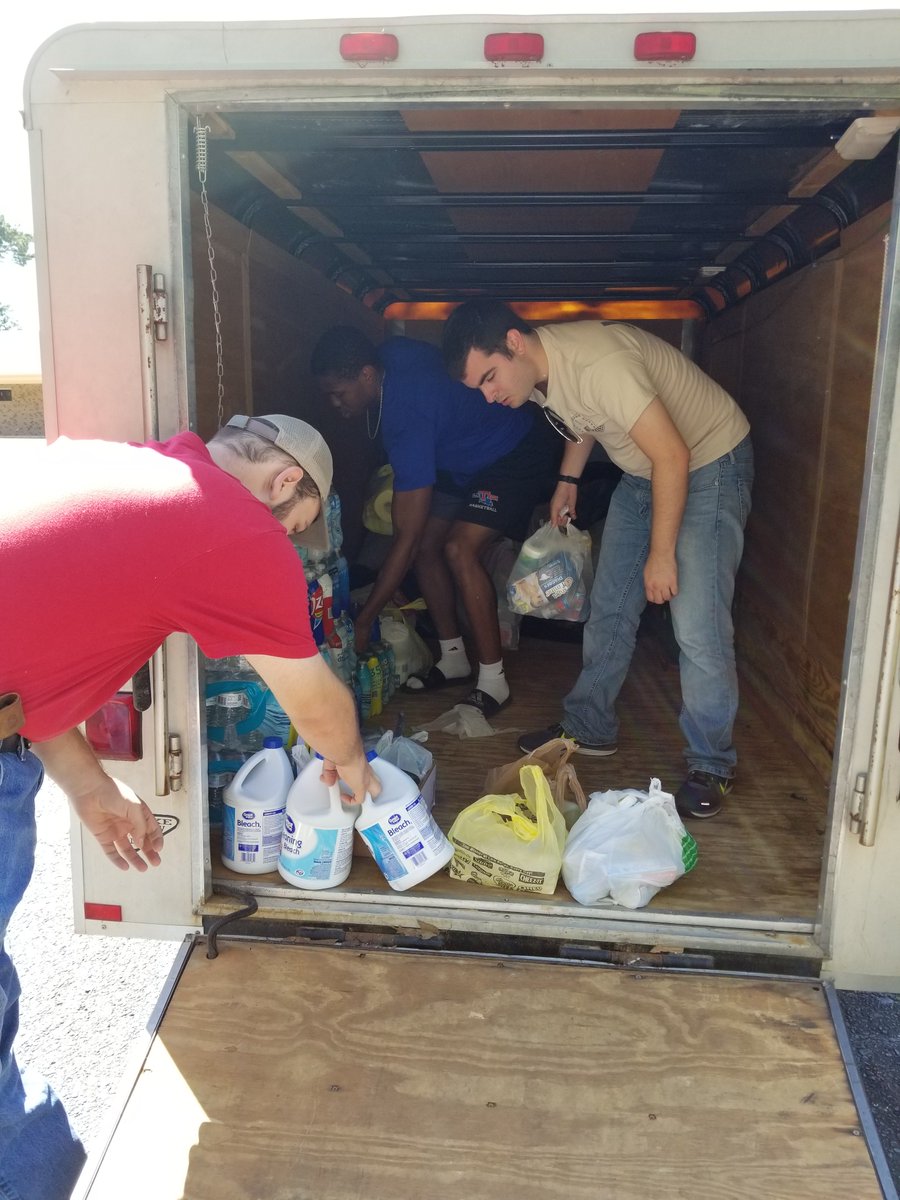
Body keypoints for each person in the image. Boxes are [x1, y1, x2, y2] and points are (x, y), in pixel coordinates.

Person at [0, 413, 377, 1200]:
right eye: (296, 527)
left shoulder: (109, 465)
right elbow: (312, 703)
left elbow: (24, 648)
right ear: (283, 486)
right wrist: (351, 766)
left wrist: (89, 785)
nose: (288, 541)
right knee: (27, 1145)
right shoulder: (231, 525)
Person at [442, 300, 754, 820]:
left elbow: (673, 455)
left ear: (515, 343)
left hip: (707, 462)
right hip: (644, 469)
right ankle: (588, 724)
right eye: (479, 387)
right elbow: (585, 420)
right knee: (609, 606)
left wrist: (661, 555)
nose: (490, 395)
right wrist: (569, 480)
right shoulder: (542, 370)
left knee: (697, 624)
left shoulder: (598, 363)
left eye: (490, 378)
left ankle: (711, 763)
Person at [311, 326, 562, 717]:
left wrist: (365, 620)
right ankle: (454, 658)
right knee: (430, 547)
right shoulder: (388, 351)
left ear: (366, 375)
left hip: (511, 450)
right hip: (459, 459)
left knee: (457, 549)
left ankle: (494, 682)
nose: (334, 404)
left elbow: (404, 539)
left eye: (339, 393)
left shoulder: (404, 417)